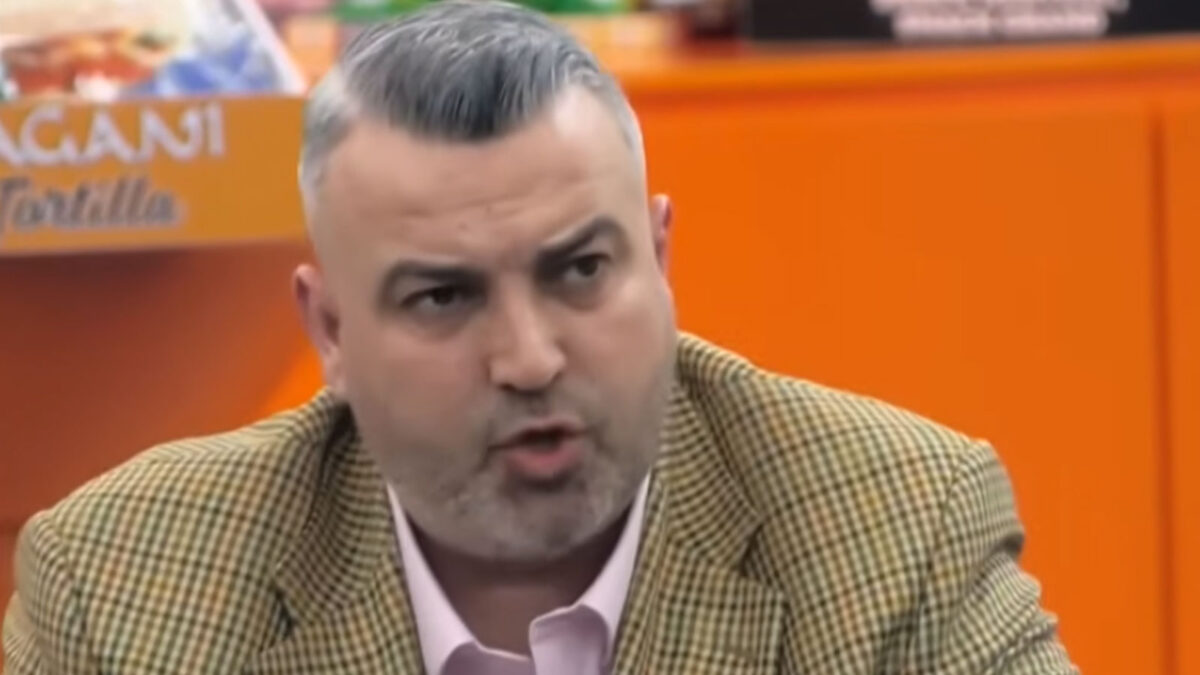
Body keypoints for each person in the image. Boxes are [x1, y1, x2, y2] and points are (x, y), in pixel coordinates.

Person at [2, 1, 1076, 672]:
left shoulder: (894, 537)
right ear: (331, 329)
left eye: (581, 271)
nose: (528, 358)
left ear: (660, 257)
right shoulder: (127, 592)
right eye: (443, 298)